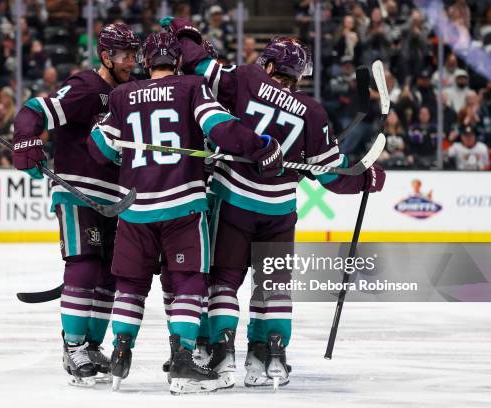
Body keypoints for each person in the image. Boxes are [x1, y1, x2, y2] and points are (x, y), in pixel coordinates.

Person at [162, 17, 386, 388]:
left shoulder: (249, 79)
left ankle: (221, 352)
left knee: (223, 282)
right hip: (279, 212)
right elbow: (331, 175)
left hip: (233, 201)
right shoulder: (313, 112)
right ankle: (271, 354)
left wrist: (184, 33)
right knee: (274, 285)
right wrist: (368, 177)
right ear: (298, 75)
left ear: (268, 64)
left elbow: (200, 66)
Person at [87, 32, 283, 394]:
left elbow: (98, 146)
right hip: (182, 205)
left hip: (135, 207)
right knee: (189, 281)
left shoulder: (121, 95)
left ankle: (121, 353)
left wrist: (123, 157)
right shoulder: (192, 87)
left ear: (147, 62)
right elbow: (220, 128)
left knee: (130, 284)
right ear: (177, 62)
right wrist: (263, 147)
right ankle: (182, 360)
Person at [11, 23, 140, 387]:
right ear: (105, 56)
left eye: (135, 55)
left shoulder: (129, 93)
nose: (132, 62)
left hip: (116, 199)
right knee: (83, 265)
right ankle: (73, 346)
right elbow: (34, 110)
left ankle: (91, 345)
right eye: (125, 56)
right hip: (78, 191)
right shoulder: (86, 87)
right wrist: (26, 141)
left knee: (110, 275)